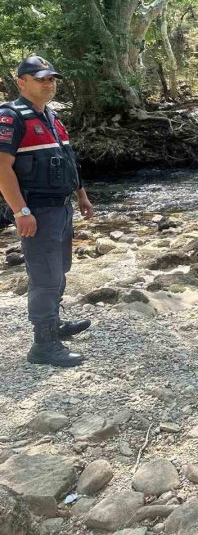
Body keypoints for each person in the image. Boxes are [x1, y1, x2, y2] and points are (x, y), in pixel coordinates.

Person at [0, 56, 94, 367]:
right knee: (44, 277)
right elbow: (2, 168)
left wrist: (81, 196)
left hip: (61, 207)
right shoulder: (11, 117)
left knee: (60, 270)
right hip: (36, 209)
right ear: (21, 82)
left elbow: (68, 161)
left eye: (51, 78)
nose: (48, 83)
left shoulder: (53, 118)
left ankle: (54, 325)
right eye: (40, 78)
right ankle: (43, 344)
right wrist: (20, 210)